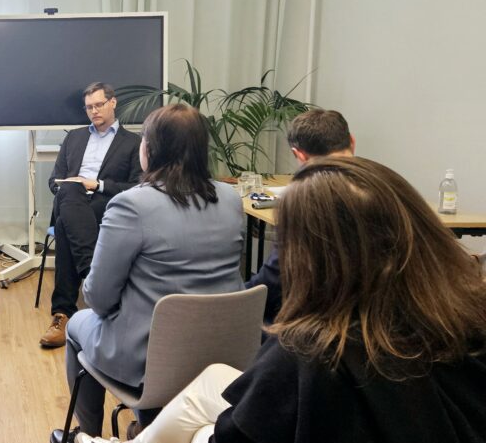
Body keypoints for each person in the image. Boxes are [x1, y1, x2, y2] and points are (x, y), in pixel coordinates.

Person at [76, 157, 486, 443]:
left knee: (199, 428)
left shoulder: (309, 352)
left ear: (308, 257)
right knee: (212, 380)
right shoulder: (465, 316)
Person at [55, 104, 244, 442]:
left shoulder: (132, 205)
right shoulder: (231, 199)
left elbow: (98, 299)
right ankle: (146, 427)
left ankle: (89, 435)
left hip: (150, 360)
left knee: (75, 325)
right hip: (222, 352)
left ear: (150, 150)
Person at [41, 82, 142, 348]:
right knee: (69, 193)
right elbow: (54, 181)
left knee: (64, 224)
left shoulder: (133, 142)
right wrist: (71, 186)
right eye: (89, 107)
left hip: (105, 204)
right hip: (71, 199)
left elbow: (137, 187)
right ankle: (90, 272)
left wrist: (97, 185)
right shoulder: (73, 137)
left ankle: (62, 313)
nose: (94, 111)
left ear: (113, 103)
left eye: (99, 105)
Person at [245, 108, 355, 324]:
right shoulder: (388, 186)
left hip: (320, 321)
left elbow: (276, 278)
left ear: (299, 155)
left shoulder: (304, 200)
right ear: (352, 141)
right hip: (387, 319)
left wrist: (238, 297)